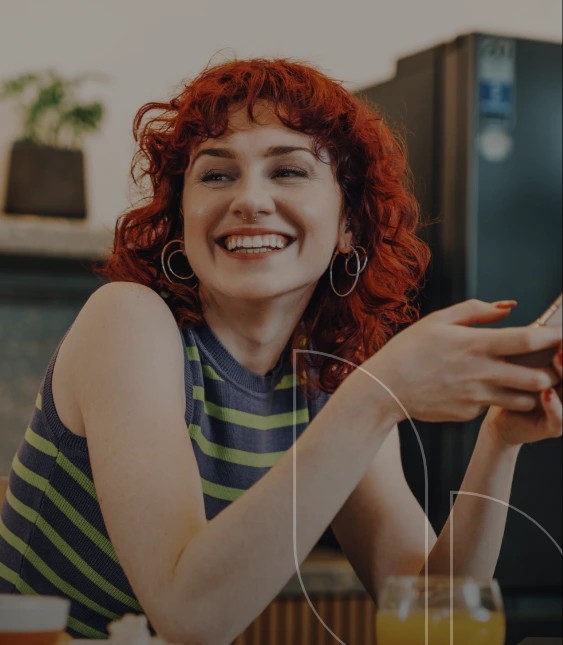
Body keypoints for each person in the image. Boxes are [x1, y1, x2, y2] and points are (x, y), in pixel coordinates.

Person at [0, 58, 561, 644]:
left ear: (350, 221)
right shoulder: (127, 321)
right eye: (216, 176)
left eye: (288, 171)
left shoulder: (330, 386)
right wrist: (377, 396)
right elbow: (191, 616)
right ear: (179, 218)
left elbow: (435, 624)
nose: (250, 199)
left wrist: (499, 440)